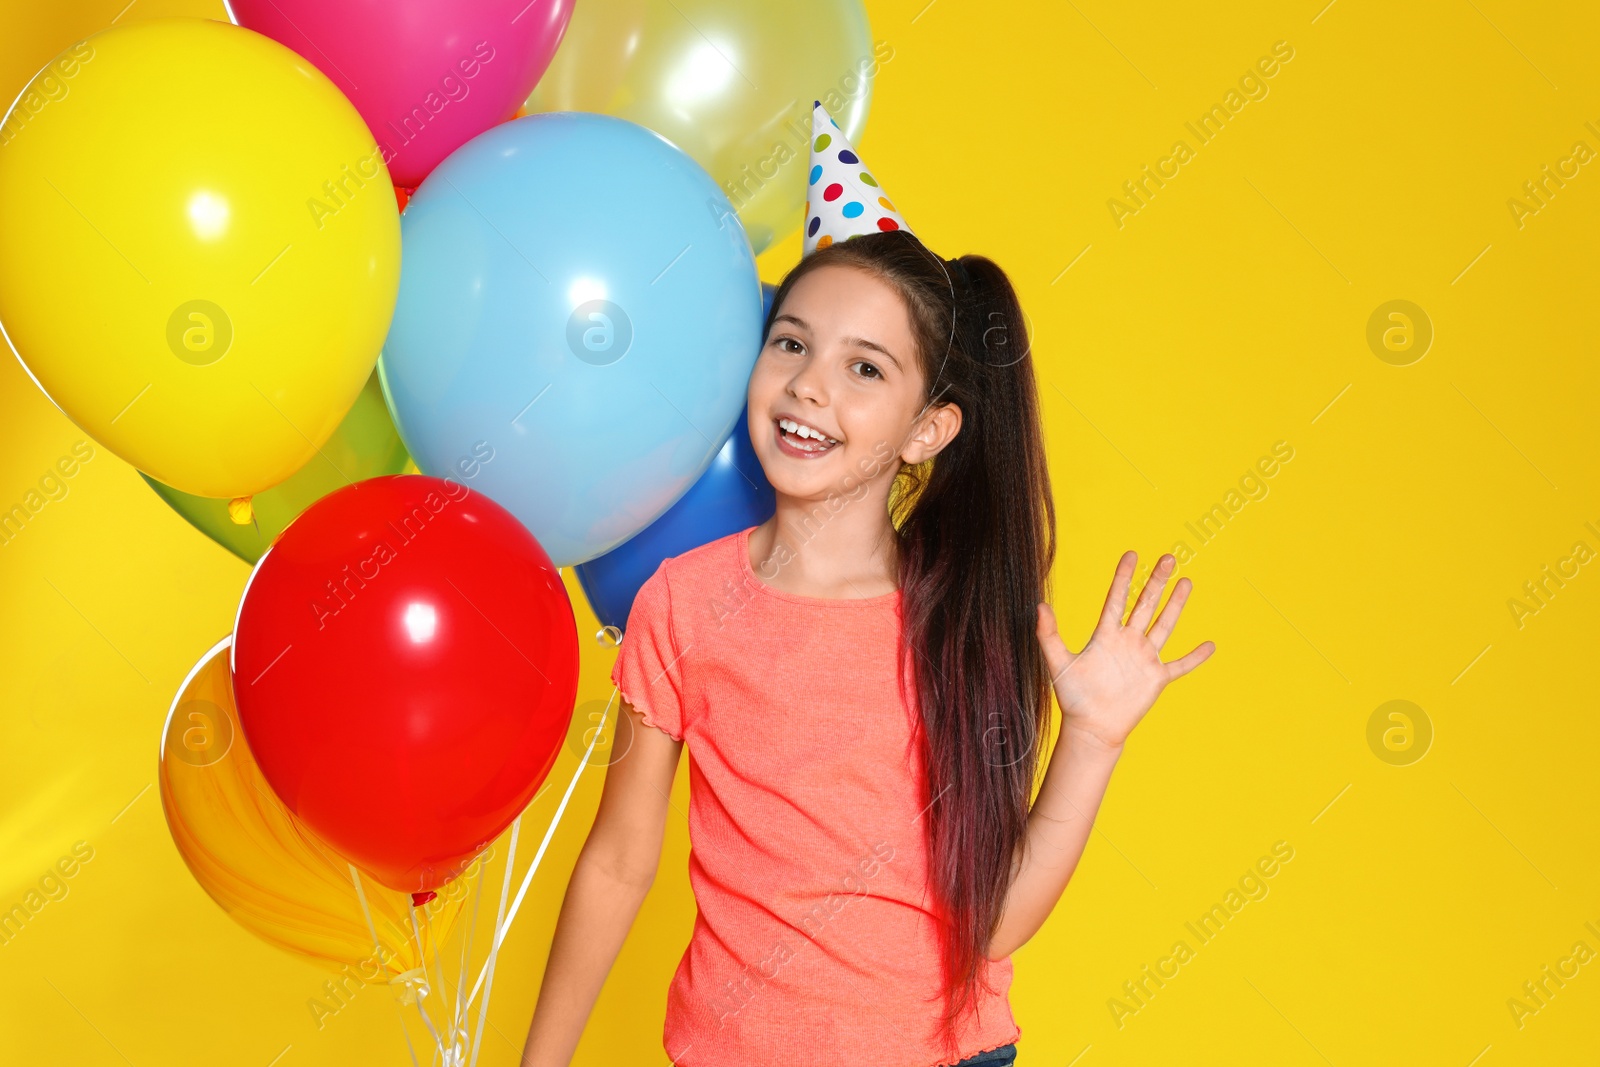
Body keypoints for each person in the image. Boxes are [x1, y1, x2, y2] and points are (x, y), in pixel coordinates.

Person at [520, 105, 1214, 1067]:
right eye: (792, 343)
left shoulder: (962, 618)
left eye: (865, 368)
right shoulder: (678, 604)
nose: (810, 387)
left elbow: (996, 920)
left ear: (927, 430)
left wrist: (1092, 740)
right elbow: (618, 858)